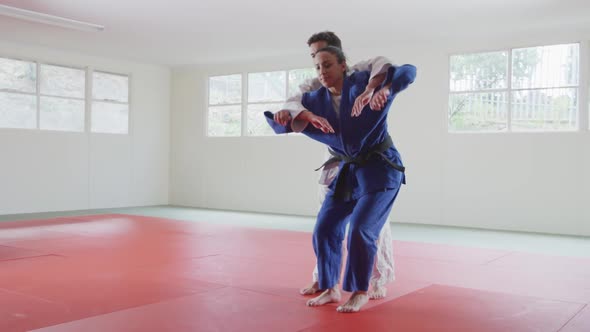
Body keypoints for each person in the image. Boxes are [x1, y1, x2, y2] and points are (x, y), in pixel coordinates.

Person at [265, 46, 416, 312]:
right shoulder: (314, 100)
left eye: (328, 65)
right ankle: (329, 287)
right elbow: (284, 118)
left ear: (343, 65)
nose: (322, 72)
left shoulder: (365, 86)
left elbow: (408, 71)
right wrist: (283, 116)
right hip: (348, 172)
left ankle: (360, 290)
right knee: (325, 228)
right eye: (318, 67)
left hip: (381, 168)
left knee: (361, 229)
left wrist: (383, 91)